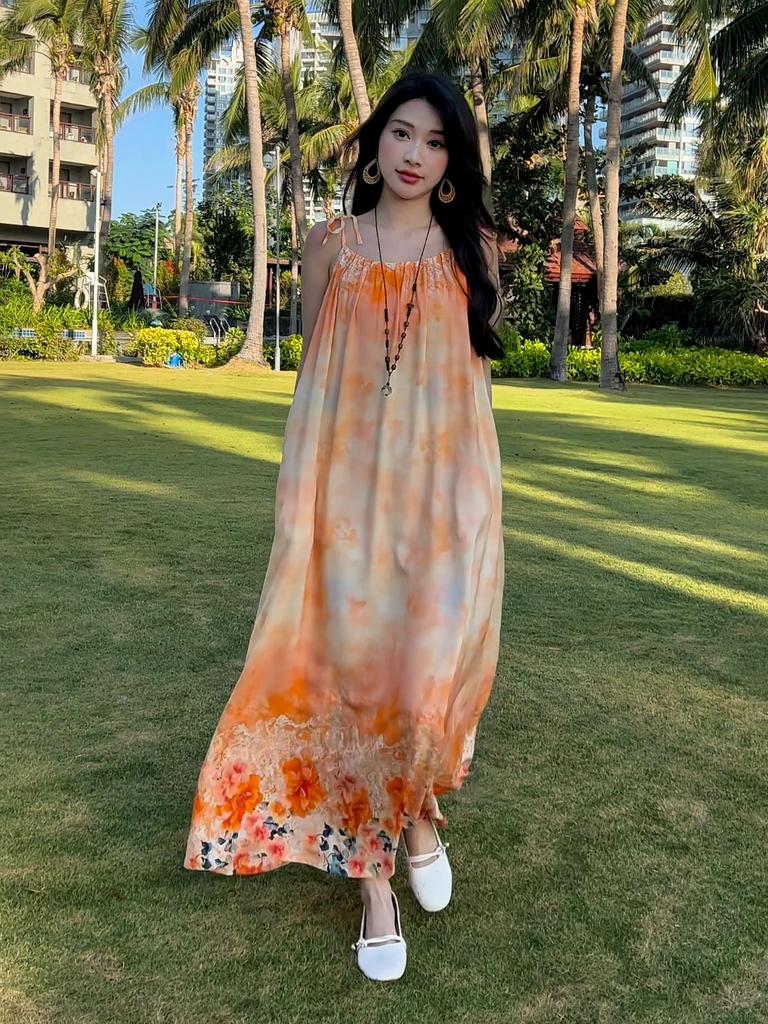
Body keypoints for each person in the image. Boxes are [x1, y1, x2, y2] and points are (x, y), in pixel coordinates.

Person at [184, 72, 506, 983]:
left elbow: (472, 395)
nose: (414, 155)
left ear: (452, 162)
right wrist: (303, 506)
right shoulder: (328, 246)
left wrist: (477, 506)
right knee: (354, 679)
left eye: (435, 142)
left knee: (424, 674)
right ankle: (375, 888)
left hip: (440, 506)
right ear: (375, 142)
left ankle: (417, 814)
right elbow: (315, 386)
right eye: (401, 133)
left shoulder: (472, 251)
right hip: (347, 505)